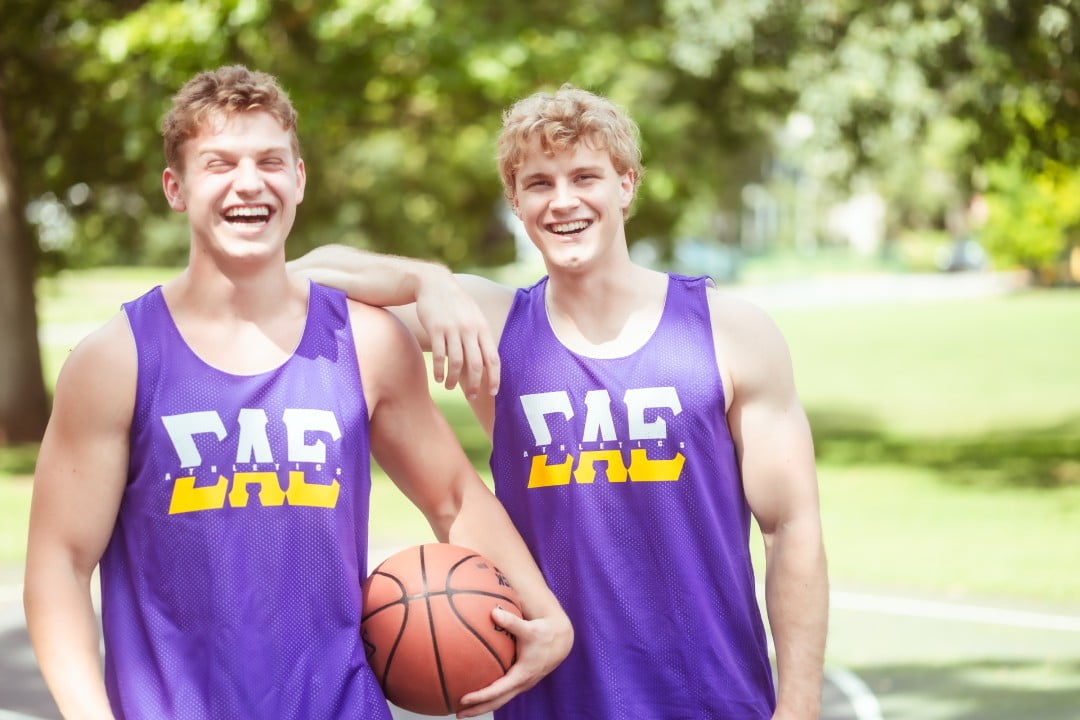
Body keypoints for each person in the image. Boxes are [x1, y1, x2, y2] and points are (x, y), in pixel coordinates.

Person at [23, 65, 571, 720]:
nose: (248, 183)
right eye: (219, 163)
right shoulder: (116, 360)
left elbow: (453, 494)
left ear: (299, 178)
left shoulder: (364, 345)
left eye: (269, 161)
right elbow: (60, 563)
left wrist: (548, 618)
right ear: (176, 187)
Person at [290, 83, 829, 719]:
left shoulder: (729, 331)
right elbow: (299, 277)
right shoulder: (489, 322)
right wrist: (424, 280)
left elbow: (790, 529)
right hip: (553, 698)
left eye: (585, 177)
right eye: (539, 183)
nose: (563, 200)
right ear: (516, 200)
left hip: (711, 696)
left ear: (626, 185)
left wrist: (799, 709)